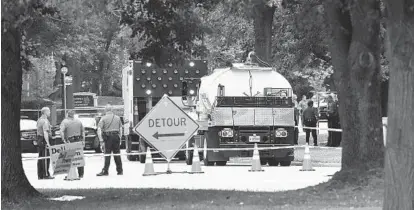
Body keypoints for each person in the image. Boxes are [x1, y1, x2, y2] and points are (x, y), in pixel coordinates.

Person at [97, 104, 123, 176]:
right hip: (116, 137)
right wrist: (120, 138)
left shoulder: (103, 118)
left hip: (108, 138)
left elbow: (99, 129)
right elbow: (121, 129)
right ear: (112, 110)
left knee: (107, 154)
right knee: (117, 154)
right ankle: (120, 170)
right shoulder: (118, 118)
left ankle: (105, 171)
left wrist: (101, 140)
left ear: (105, 110)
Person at [60, 110, 85, 179]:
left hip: (70, 141)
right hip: (79, 140)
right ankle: (81, 174)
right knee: (79, 157)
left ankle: (70, 174)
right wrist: (83, 140)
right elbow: (83, 131)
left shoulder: (64, 122)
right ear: (73, 115)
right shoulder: (78, 121)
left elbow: (61, 131)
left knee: (69, 158)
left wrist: (63, 139)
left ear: (67, 114)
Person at [36, 107, 54, 180]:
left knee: (41, 157)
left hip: (39, 139)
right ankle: (46, 174)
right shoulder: (45, 121)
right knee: (46, 158)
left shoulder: (39, 120)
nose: (50, 112)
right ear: (45, 112)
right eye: (49, 111)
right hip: (44, 140)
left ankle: (40, 175)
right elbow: (45, 132)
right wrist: (48, 143)